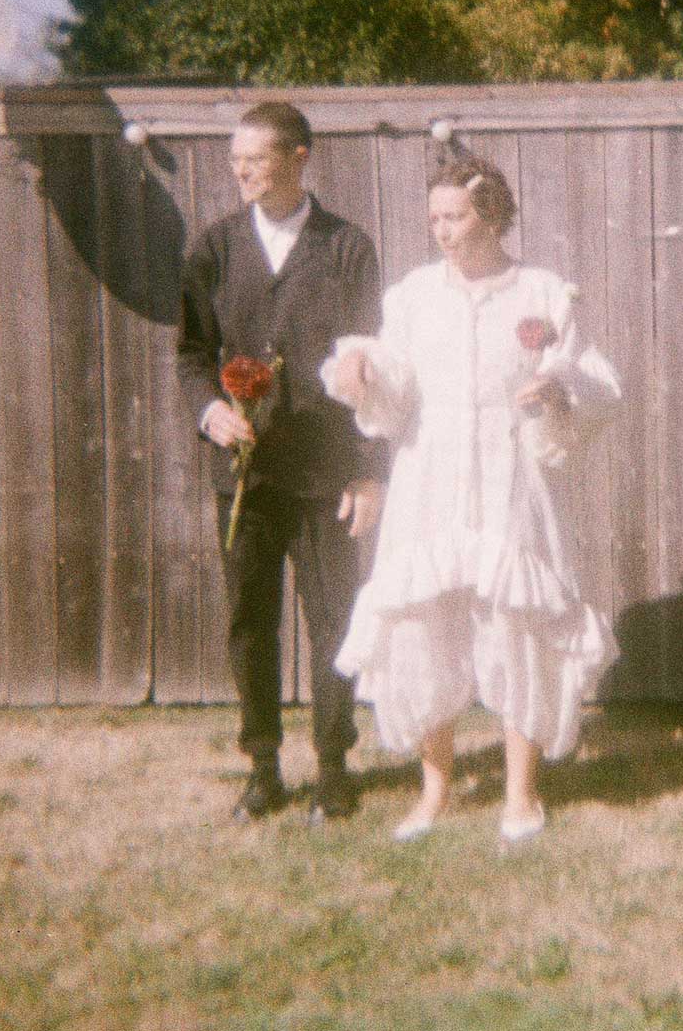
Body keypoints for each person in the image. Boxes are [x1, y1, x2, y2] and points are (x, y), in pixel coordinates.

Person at [322, 152, 619, 843]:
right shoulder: (413, 297)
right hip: (428, 481)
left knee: (518, 625)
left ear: (490, 217)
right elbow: (394, 385)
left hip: (509, 481)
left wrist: (556, 392)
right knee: (423, 626)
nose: (442, 231)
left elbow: (587, 380)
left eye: (454, 217)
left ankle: (520, 793)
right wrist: (363, 372)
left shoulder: (542, 293)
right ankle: (433, 792)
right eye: (434, 218)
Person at [177, 101, 387, 822]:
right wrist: (209, 410)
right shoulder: (215, 247)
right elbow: (191, 352)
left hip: (326, 472)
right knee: (250, 619)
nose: (241, 171)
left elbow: (376, 363)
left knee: (333, 621)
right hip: (246, 475)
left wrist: (368, 470)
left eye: (256, 158)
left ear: (299, 157)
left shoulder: (346, 248)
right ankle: (262, 768)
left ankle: (332, 768)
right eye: (235, 159)